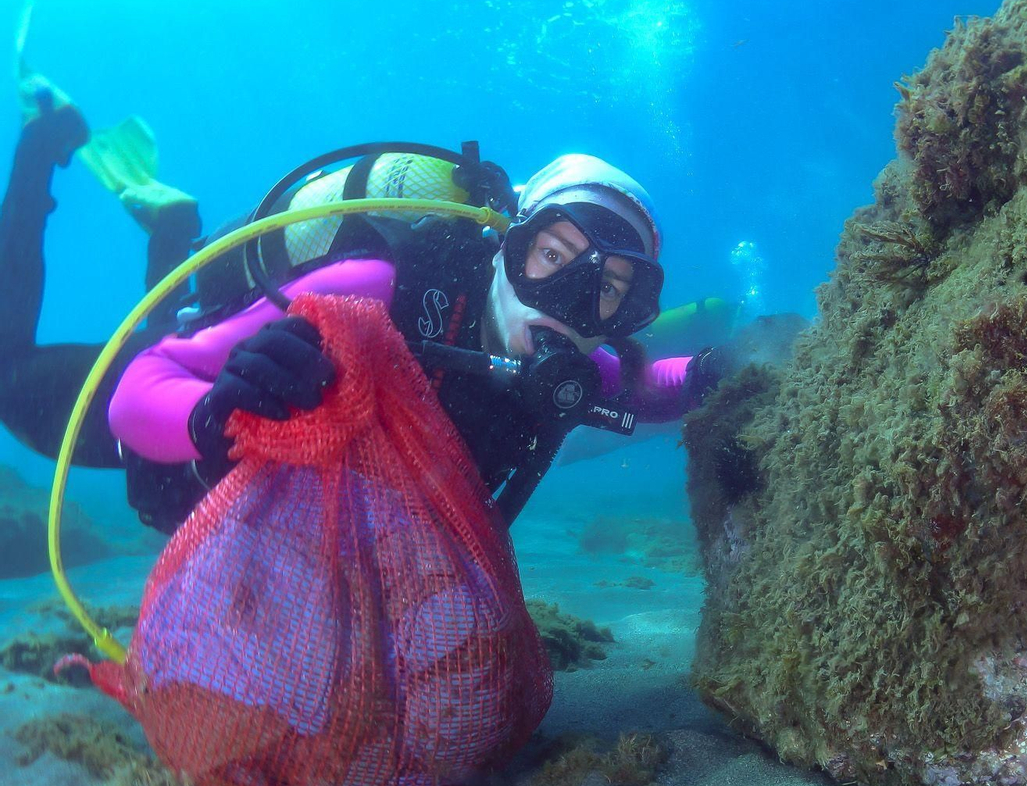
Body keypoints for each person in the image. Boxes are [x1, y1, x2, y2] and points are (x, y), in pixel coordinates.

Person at [0, 76, 726, 534]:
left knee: (164, 318)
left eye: (604, 290)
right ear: (510, 245)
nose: (569, 303)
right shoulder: (380, 288)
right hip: (176, 432)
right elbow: (139, 392)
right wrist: (210, 413)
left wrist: (723, 370)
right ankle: (42, 142)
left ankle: (168, 224)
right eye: (553, 258)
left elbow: (650, 387)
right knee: (10, 381)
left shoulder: (562, 368)